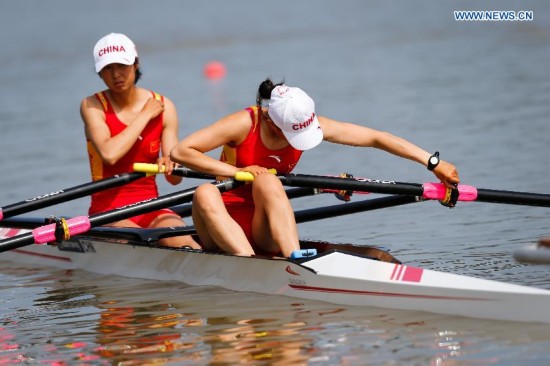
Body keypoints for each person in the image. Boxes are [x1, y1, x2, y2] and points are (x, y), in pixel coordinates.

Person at [170, 78, 460, 257]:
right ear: (272, 120)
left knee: (268, 182)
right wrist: (237, 172)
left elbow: (376, 137)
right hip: (220, 220)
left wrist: (432, 162)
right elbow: (181, 151)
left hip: (264, 225)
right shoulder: (245, 122)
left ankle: (293, 257)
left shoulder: (303, 120)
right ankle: (249, 263)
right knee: (205, 192)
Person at [80, 33, 199, 249]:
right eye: (108, 68)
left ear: (136, 63)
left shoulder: (165, 106)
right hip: (107, 212)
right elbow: (110, 153)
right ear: (99, 72)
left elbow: (175, 180)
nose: (116, 74)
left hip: (151, 206)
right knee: (140, 241)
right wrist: (144, 115)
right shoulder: (92, 106)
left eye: (122, 65)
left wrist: (171, 164)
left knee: (184, 243)